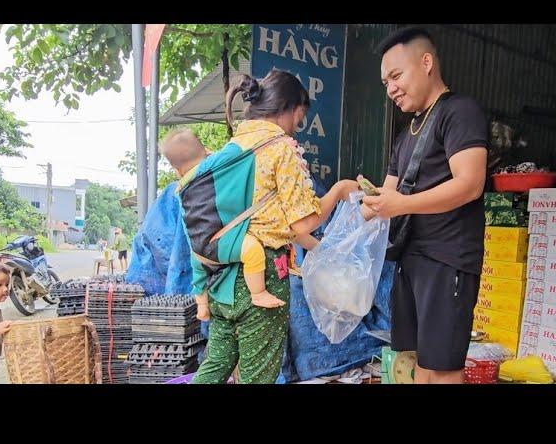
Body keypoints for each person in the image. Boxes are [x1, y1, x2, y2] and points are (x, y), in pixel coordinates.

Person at [172, 69, 359, 383]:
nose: (299, 125)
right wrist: (339, 190)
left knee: (215, 365)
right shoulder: (280, 148)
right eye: (301, 115)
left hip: (221, 275)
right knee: (258, 377)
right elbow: (305, 222)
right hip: (263, 277)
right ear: (289, 106)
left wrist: (325, 251)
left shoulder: (234, 147)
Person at [362, 26, 488, 384]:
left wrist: (400, 203)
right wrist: (359, 201)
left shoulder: (459, 112)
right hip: (409, 261)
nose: (391, 89)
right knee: (414, 363)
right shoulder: (406, 135)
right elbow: (386, 194)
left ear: (427, 62)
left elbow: (470, 184)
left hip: (447, 259)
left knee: (443, 369)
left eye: (396, 76)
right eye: (386, 82)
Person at [160, 128, 317, 321]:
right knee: (252, 250)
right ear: (207, 153)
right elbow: (234, 152)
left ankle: (202, 306)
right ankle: (258, 293)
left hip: (198, 250)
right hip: (220, 243)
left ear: (176, 170)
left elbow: (187, 225)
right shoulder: (212, 167)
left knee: (198, 276)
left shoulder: (181, 190)